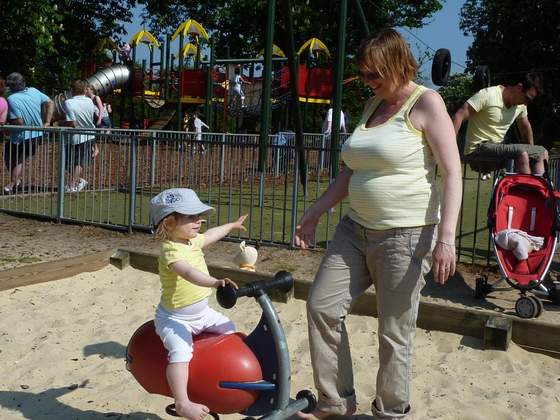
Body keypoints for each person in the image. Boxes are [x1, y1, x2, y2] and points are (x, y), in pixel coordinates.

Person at [295, 28, 462, 419]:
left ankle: (390, 412)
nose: (367, 81)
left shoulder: (427, 103)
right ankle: (336, 403)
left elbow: (452, 172)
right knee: (322, 306)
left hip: (405, 236)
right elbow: (350, 172)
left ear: (397, 64)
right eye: (364, 73)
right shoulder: (373, 104)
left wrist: (447, 239)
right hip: (354, 230)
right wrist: (315, 211)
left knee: (394, 332)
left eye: (374, 73)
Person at [149, 187, 248, 420]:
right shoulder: (170, 251)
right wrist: (215, 282)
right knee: (180, 351)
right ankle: (182, 402)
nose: (199, 220)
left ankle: (212, 371)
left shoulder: (192, 241)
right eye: (191, 217)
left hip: (202, 313)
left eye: (198, 215)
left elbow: (212, 234)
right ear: (169, 223)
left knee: (229, 328)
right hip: (175, 319)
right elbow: (188, 272)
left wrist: (231, 225)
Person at [452, 72, 547, 175]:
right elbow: (458, 116)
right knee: (523, 153)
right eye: (527, 98)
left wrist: (531, 151)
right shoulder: (488, 95)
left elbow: (525, 127)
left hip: (498, 151)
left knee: (541, 153)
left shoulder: (521, 106)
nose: (526, 103)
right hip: (477, 151)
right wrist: (452, 152)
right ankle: (527, 185)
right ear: (519, 87)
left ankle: (538, 185)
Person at [4, 72, 54, 194]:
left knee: (18, 160)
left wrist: (7, 123)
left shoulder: (11, 99)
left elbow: (19, 121)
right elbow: (50, 102)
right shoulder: (34, 91)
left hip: (24, 135)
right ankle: (16, 180)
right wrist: (47, 122)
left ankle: (12, 184)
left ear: (12, 86)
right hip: (34, 134)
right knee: (10, 156)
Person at [59, 80, 97, 193]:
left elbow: (73, 123)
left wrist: (60, 123)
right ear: (84, 90)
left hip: (78, 136)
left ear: (72, 90)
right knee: (72, 162)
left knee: (76, 162)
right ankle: (79, 181)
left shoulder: (69, 102)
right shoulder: (90, 101)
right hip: (89, 135)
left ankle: (72, 185)